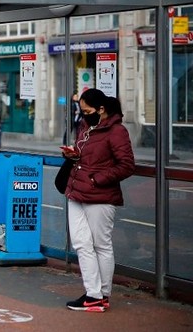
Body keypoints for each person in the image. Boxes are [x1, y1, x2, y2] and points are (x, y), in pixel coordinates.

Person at [60, 88, 135, 312]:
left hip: (100, 195)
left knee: (101, 245)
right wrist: (73, 155)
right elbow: (88, 155)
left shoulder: (117, 131)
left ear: (101, 109)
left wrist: (96, 179)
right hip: (76, 191)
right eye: (81, 111)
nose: (83, 115)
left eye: (87, 111)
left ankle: (102, 294)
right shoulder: (86, 127)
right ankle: (93, 294)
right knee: (82, 244)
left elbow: (127, 165)